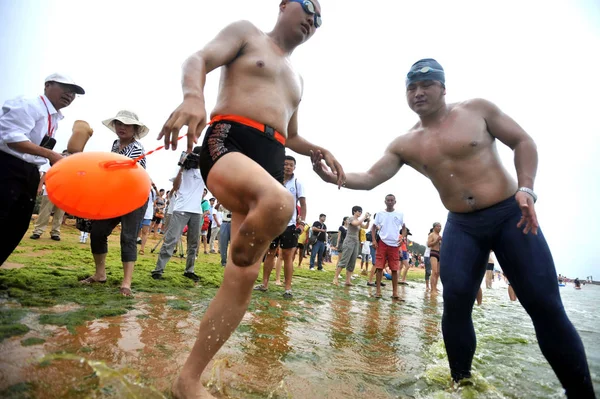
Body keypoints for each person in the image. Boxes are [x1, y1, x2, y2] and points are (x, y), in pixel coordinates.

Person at [312, 58, 594, 396]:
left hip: (510, 214)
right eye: (411, 87)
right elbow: (371, 178)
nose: (418, 93)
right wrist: (333, 178)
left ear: (443, 88)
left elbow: (523, 141)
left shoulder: (477, 110)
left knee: (546, 306)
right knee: (456, 304)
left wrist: (527, 188)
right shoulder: (405, 143)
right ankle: (461, 384)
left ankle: (581, 393)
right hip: (462, 226)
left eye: (426, 85)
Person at [157, 2, 344, 398]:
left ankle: (188, 380)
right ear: (283, 6)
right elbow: (199, 58)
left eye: (321, 18)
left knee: (241, 279)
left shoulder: (298, 79)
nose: (313, 18)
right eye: (308, 6)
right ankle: (239, 251)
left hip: (272, 155)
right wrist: (194, 96)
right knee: (280, 204)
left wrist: (316, 148)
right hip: (229, 139)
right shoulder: (247, 33)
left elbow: (290, 133)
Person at [0, 73, 84, 265]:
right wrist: (50, 155)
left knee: (16, 225)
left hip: (28, 172)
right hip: (7, 166)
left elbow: (40, 150)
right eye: (66, 89)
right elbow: (12, 138)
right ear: (48, 85)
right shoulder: (29, 104)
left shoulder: (53, 117)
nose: (69, 95)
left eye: (73, 93)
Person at [80, 110, 148, 297]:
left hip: (135, 197)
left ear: (135, 129)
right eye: (119, 123)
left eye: (126, 124)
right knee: (98, 231)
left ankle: (126, 283)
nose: (121, 127)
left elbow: (129, 173)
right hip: (115, 197)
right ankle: (100, 274)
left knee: (128, 237)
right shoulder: (114, 145)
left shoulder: (137, 148)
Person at [151, 147, 207, 282]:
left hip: (196, 212)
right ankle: (158, 270)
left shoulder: (205, 172)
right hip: (181, 209)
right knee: (171, 239)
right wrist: (181, 167)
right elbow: (175, 187)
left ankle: (189, 270)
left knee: (193, 243)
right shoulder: (183, 169)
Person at [254, 155, 306, 297]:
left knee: (287, 256)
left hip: (289, 225)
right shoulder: (273, 180)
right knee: (270, 253)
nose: (288, 167)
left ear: (294, 167)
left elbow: (303, 204)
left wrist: (301, 223)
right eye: (286, 164)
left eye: (291, 165)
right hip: (271, 224)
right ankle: (264, 284)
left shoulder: (297, 183)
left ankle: (287, 288)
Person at [370, 195, 405, 299]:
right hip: (382, 243)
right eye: (388, 200)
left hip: (394, 244)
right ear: (385, 201)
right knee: (379, 267)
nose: (390, 202)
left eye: (392, 200)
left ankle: (395, 293)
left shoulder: (399, 214)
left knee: (395, 269)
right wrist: (374, 240)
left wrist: (402, 237)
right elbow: (373, 227)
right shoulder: (380, 214)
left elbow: (403, 228)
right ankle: (378, 291)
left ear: (395, 201)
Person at [30, 158, 67, 241]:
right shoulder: (52, 162)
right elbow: (44, 175)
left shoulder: (71, 166)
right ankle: (38, 231)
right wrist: (39, 187)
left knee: (59, 214)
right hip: (49, 191)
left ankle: (55, 232)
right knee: (44, 212)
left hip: (64, 193)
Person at [332, 206, 370, 286]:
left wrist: (368, 221)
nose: (360, 212)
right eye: (359, 211)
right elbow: (356, 223)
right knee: (344, 260)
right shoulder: (351, 218)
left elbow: (365, 227)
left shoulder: (359, 220)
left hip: (356, 242)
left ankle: (348, 281)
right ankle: (335, 278)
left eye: (361, 211)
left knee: (352, 262)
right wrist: (364, 217)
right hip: (349, 241)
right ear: (354, 211)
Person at [427, 222, 442, 293]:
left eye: (440, 226)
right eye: (438, 226)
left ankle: (435, 287)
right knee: (434, 272)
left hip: (439, 253)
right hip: (433, 253)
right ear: (434, 227)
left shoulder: (439, 236)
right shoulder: (431, 235)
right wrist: (436, 241)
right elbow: (428, 244)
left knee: (438, 273)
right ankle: (432, 289)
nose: (439, 228)